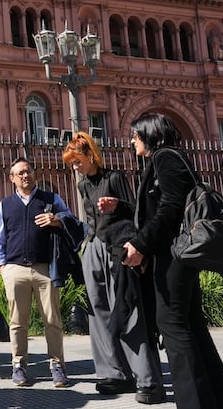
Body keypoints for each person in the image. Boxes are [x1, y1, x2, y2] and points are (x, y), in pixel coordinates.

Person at [123, 113, 223, 409]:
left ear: (148, 134)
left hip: (175, 256)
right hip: (174, 255)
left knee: (172, 324)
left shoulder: (165, 157)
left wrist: (140, 244)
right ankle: (219, 402)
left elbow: (171, 207)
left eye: (135, 135)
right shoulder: (166, 159)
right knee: (191, 325)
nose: (132, 141)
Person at [62, 133, 165, 404]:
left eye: (77, 161)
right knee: (98, 311)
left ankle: (148, 380)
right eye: (71, 163)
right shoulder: (83, 185)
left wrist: (118, 205)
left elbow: (137, 213)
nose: (75, 167)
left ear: (91, 155)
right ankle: (114, 374)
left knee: (127, 309)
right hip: (94, 247)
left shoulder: (115, 178)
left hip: (118, 247)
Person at [0, 157, 76, 388]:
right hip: (15, 268)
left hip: (45, 268)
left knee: (52, 320)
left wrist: (56, 219)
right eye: (20, 173)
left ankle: (57, 366)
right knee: (17, 322)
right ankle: (18, 366)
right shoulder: (5, 205)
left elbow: (71, 221)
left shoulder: (51, 199)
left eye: (28, 171)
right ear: (12, 178)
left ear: (34, 174)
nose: (25, 176)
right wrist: (2, 268)